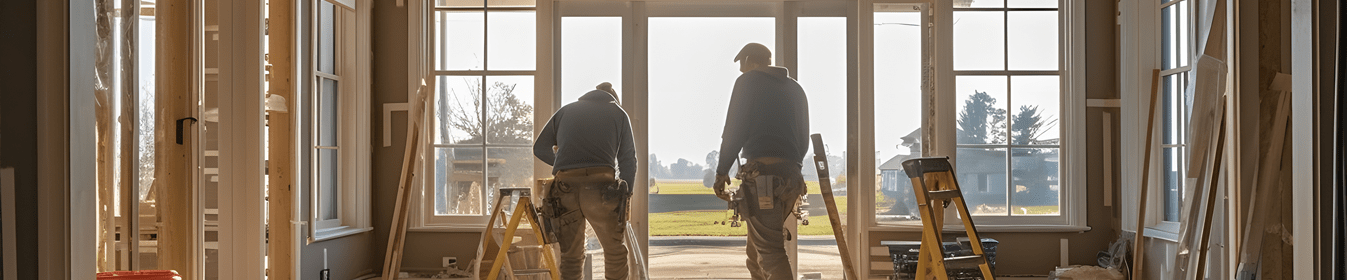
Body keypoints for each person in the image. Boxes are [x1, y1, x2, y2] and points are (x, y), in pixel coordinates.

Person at [713, 43, 811, 280]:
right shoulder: (795, 88)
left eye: (742, 65)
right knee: (755, 251)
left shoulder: (748, 82)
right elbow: (803, 137)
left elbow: (734, 129)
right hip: (790, 177)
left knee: (769, 252)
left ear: (750, 60)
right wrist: (792, 168)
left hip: (763, 178)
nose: (740, 72)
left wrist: (721, 170)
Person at [534, 82, 637, 280]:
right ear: (613, 98)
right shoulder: (618, 113)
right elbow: (628, 160)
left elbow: (539, 148)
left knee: (570, 256)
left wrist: (562, 163)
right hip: (601, 189)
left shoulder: (566, 111)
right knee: (614, 252)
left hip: (565, 188)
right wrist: (626, 195)